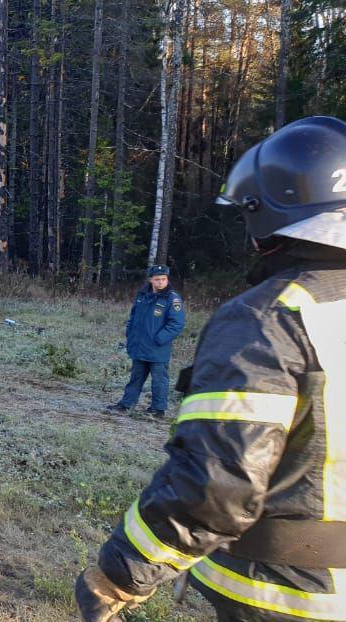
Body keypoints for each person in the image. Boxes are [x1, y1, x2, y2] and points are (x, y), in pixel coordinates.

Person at [75, 115, 346, 622]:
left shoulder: (270, 318)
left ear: (264, 216)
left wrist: (119, 576)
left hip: (289, 594)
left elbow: (217, 484)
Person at [106, 265, 186, 419]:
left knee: (159, 380)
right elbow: (133, 316)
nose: (161, 282)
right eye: (157, 279)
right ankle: (126, 404)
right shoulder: (142, 295)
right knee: (135, 377)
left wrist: (159, 339)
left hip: (157, 348)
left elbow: (177, 324)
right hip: (139, 346)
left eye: (164, 279)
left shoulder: (172, 298)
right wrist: (130, 333)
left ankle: (157, 409)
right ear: (150, 280)